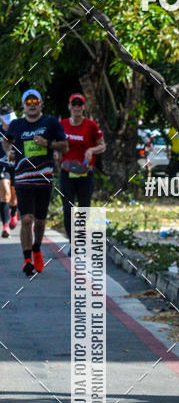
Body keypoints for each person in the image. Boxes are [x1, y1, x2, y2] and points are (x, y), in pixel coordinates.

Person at [1, 89, 68, 274]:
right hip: (22, 179)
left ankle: (37, 248)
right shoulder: (16, 124)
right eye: (28, 101)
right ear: (23, 105)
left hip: (44, 179)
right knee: (27, 219)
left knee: (39, 221)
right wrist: (9, 152)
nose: (32, 104)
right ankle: (27, 259)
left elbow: (65, 146)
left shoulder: (50, 122)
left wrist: (48, 144)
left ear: (40, 104)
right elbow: (6, 141)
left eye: (35, 101)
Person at [59, 93, 106, 252]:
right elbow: (56, 143)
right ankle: (73, 242)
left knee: (83, 209)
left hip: (85, 173)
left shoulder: (91, 125)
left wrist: (91, 150)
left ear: (84, 107)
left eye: (80, 104)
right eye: (74, 104)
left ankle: (79, 238)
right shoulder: (62, 124)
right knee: (67, 209)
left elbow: (102, 146)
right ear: (69, 106)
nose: (77, 107)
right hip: (66, 172)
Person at [0, 104, 18, 237]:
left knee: (13, 193)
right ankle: (5, 226)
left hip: (16, 166)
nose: (9, 122)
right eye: (6, 120)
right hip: (2, 165)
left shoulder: (18, 128)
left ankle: (13, 213)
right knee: (5, 192)